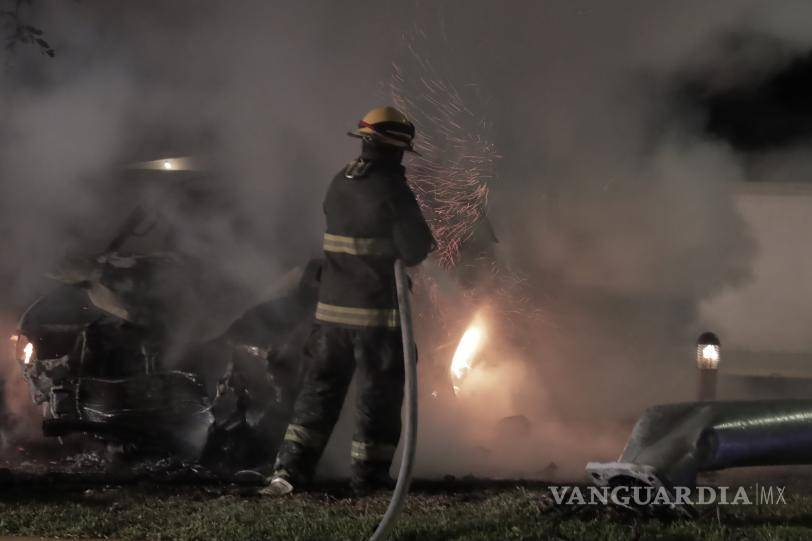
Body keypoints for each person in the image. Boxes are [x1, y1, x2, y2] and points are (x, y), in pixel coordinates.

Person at [263, 106, 435, 496]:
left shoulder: (340, 181)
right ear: (395, 149)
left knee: (319, 393)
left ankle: (288, 471)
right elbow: (415, 248)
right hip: (375, 318)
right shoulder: (392, 188)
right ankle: (369, 478)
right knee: (379, 397)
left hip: (329, 317)